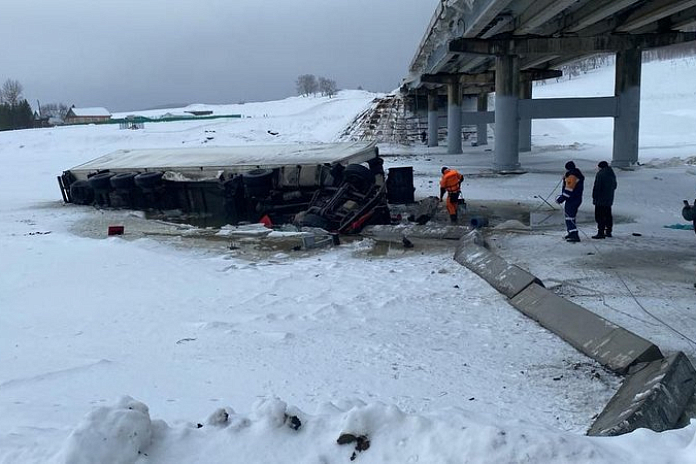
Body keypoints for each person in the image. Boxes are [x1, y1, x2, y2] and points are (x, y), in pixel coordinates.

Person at [556, 161, 585, 242]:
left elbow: (569, 190)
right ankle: (571, 233)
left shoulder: (572, 176)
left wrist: (561, 199)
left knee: (569, 217)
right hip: (576, 199)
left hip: (572, 200)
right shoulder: (576, 174)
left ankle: (574, 234)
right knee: (570, 217)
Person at [591, 161, 617, 239]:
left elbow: (597, 187)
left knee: (599, 216)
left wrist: (594, 196)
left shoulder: (600, 174)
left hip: (600, 200)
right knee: (608, 215)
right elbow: (615, 186)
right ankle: (608, 231)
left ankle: (600, 232)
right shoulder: (612, 174)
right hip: (609, 199)